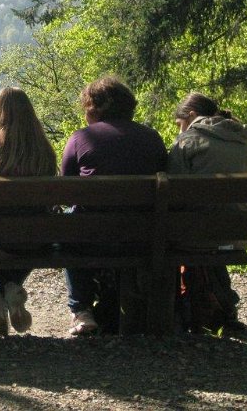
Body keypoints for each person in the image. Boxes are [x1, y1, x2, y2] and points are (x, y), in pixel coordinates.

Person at [61, 77, 167, 335]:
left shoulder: (81, 138)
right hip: (144, 235)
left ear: (94, 109)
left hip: (93, 236)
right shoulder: (152, 138)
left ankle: (82, 309)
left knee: (66, 225)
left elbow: (65, 191)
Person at [0, 87, 57, 334]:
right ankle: (11, 288)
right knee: (25, 235)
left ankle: (2, 290)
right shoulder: (44, 152)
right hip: (35, 241)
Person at [168, 92, 247, 330]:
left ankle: (179, 309)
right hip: (236, 235)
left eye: (179, 124)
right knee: (207, 228)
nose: (179, 130)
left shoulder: (187, 141)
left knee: (170, 234)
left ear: (192, 116)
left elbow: (173, 194)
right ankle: (222, 306)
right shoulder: (240, 139)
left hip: (197, 236)